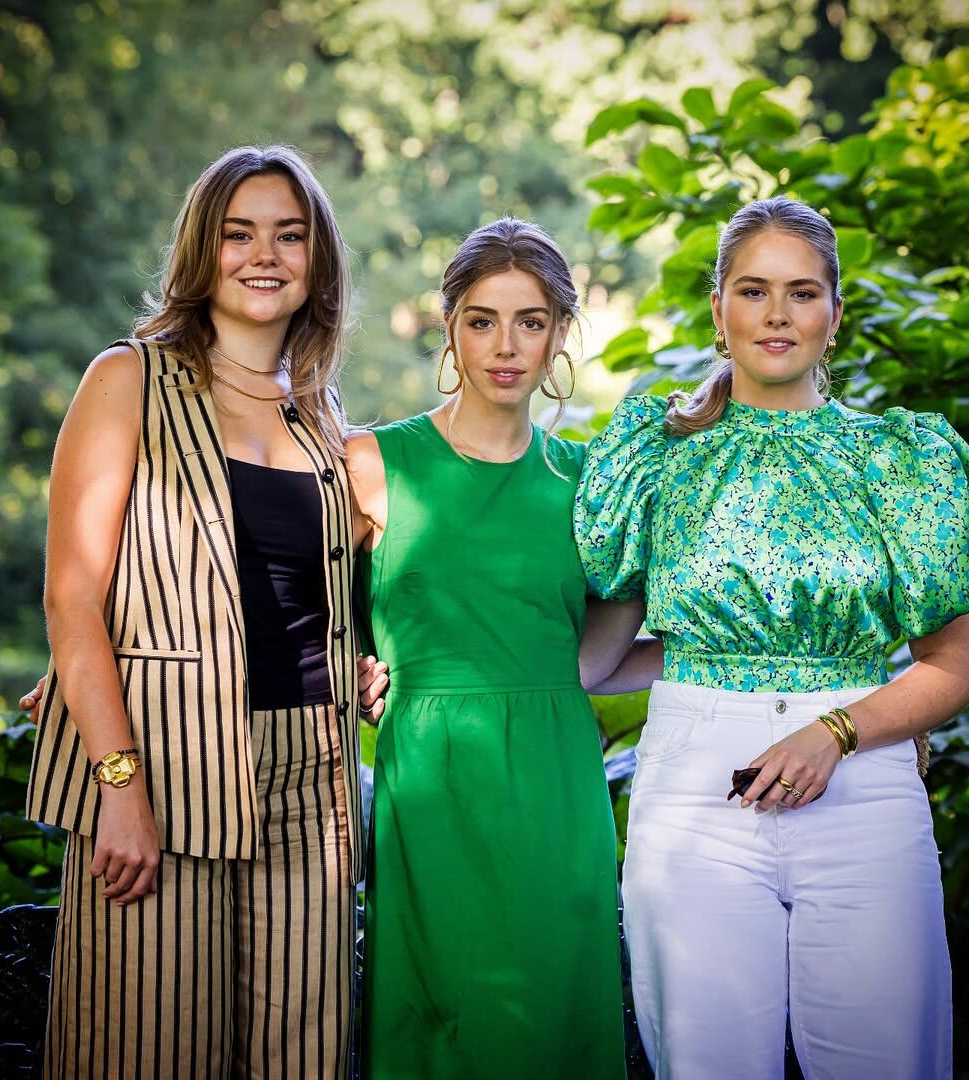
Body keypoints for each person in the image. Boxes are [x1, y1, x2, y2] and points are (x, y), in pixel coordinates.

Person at [573, 196, 969, 1078]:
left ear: (835, 314)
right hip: (696, 793)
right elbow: (595, 662)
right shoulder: (659, 452)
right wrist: (420, 657)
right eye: (753, 290)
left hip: (863, 787)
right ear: (718, 310)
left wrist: (836, 730)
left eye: (802, 292)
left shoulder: (901, 460)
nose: (777, 315)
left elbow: (954, 665)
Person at [23, 145, 362, 1079]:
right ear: (201, 251)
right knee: (146, 1054)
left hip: (313, 785)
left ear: (317, 260)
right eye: (239, 233)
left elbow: (326, 600)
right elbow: (72, 597)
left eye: (290, 235)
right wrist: (119, 788)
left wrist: (371, 661)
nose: (266, 254)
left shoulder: (324, 419)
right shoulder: (127, 380)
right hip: (163, 774)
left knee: (306, 1061)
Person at [347, 218, 628, 1078]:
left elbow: (613, 641)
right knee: (439, 1022)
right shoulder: (372, 462)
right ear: (449, 328)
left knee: (555, 1018)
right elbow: (293, 613)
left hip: (555, 782)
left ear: (560, 337)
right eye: (482, 319)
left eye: (531, 321)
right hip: (430, 782)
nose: (505, 346)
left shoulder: (590, 482)